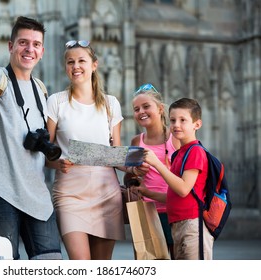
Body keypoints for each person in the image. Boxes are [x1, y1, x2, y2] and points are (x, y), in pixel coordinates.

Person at [0, 16, 62, 260]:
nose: (29, 49)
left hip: (36, 192)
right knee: (6, 264)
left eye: (35, 44)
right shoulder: (0, 79)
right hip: (0, 190)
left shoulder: (42, 89)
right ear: (11, 47)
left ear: (42, 51)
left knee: (50, 261)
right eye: (23, 42)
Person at [46, 40, 125, 260]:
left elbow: (115, 154)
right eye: (70, 62)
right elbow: (45, 153)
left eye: (82, 60)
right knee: (80, 265)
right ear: (65, 67)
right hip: (70, 193)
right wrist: (57, 162)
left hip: (106, 193)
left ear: (94, 65)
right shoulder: (56, 102)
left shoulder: (111, 104)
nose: (76, 66)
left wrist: (135, 167)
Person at [143, 97, 214, 260]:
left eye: (183, 120)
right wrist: (147, 192)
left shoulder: (195, 151)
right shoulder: (179, 153)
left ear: (197, 124)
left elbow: (183, 189)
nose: (176, 125)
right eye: (173, 120)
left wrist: (156, 163)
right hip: (178, 224)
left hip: (192, 225)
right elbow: (174, 195)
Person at [123, 83, 180, 259]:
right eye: (136, 109)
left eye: (146, 106)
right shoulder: (136, 141)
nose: (141, 111)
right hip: (148, 212)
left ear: (161, 109)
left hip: (175, 210)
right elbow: (128, 179)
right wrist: (135, 172)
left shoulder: (176, 137)